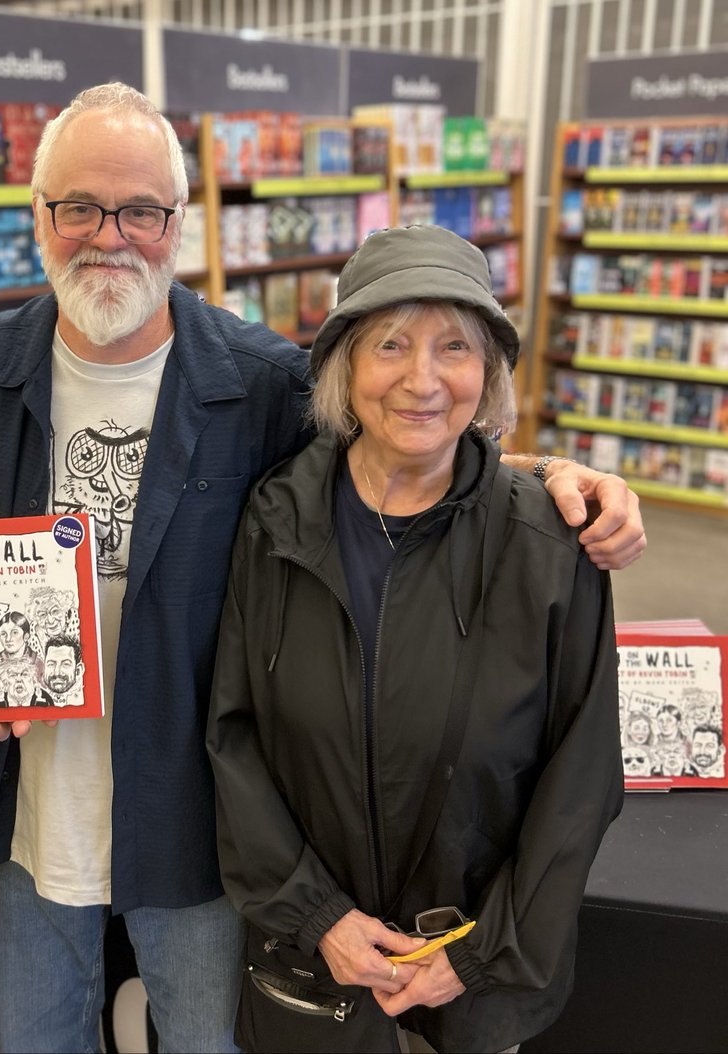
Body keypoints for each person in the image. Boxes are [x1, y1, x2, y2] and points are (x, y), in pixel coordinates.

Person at [0, 85, 646, 1054]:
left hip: (196, 827)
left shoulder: (260, 380)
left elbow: (397, 446)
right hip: (27, 820)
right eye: (80, 208)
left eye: (141, 212)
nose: (110, 236)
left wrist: (548, 476)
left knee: (203, 1040)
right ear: (38, 214)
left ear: (179, 224)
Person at [206, 224, 625, 1053]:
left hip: (476, 978)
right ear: (343, 367)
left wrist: (481, 954)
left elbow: (581, 775)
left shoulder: (551, 544)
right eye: (390, 344)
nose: (422, 380)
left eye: (455, 347)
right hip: (312, 974)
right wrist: (318, 915)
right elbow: (233, 735)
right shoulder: (275, 519)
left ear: (490, 372)